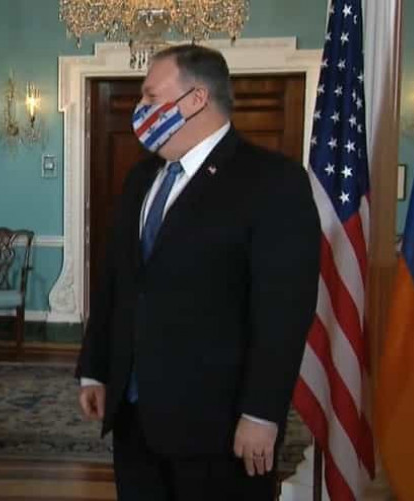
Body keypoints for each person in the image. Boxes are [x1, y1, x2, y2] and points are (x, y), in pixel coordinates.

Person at [76, 44, 321, 500]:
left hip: (218, 429)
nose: (139, 107)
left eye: (150, 96)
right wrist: (96, 370)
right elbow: (117, 281)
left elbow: (283, 312)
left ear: (196, 99)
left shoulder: (273, 181)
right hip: (135, 422)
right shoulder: (141, 178)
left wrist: (262, 413)